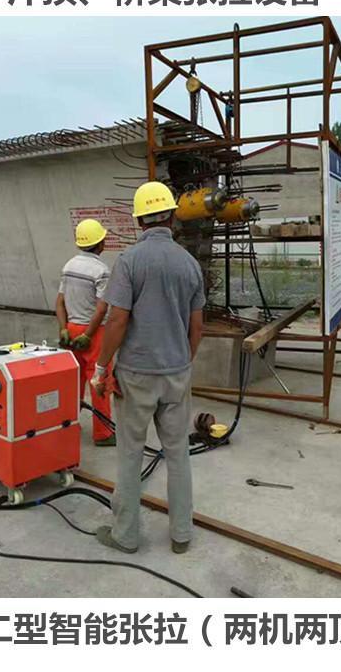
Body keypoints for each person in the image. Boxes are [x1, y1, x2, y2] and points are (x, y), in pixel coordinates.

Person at [90, 181, 205, 554]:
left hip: (136, 375)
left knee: (130, 453)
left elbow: (117, 320)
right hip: (176, 372)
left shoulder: (129, 261)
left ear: (139, 220)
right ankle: (181, 534)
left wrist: (101, 368)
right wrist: (182, 361)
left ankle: (125, 535)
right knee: (178, 453)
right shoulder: (189, 264)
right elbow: (197, 327)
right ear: (172, 217)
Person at [56, 218, 115, 446]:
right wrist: (88, 335)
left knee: (74, 381)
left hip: (71, 330)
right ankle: (103, 434)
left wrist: (63, 329)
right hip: (94, 332)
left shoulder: (69, 266)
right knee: (99, 381)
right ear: (100, 243)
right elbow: (101, 308)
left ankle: (68, 425)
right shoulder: (101, 270)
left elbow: (59, 302)